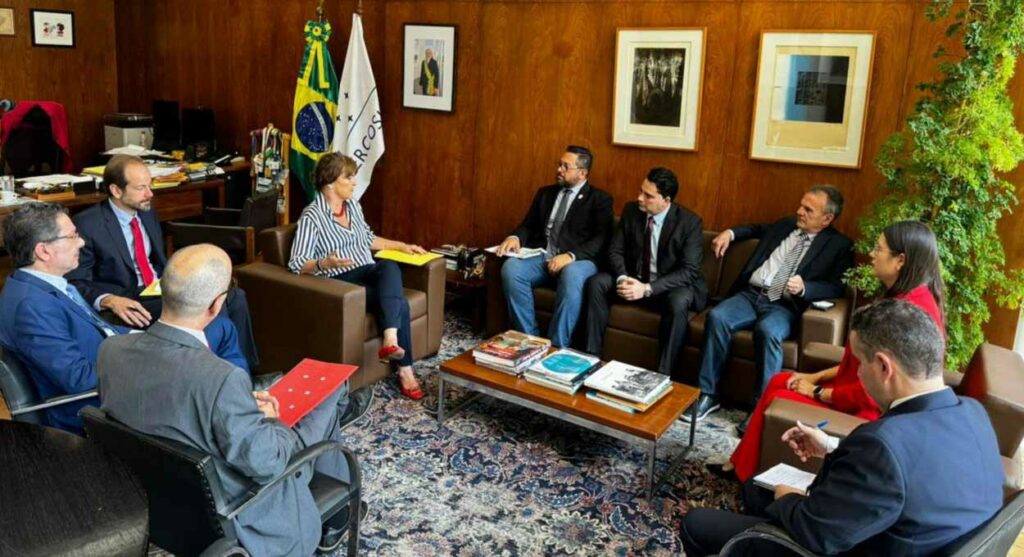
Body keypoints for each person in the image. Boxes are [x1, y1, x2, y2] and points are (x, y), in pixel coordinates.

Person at [681, 299, 1004, 557]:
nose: (857, 374)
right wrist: (833, 447)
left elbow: (816, 534)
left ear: (883, 366)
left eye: (859, 363)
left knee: (697, 523)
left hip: (844, 544)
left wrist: (787, 498)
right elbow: (912, 473)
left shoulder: (882, 444)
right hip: (905, 537)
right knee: (755, 487)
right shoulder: (973, 412)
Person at [98, 244, 361, 556]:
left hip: (161, 504)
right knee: (329, 393)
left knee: (325, 400)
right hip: (237, 512)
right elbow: (269, 464)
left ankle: (335, 516)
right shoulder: (222, 378)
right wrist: (272, 421)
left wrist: (239, 410)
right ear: (217, 304)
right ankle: (336, 518)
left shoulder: (111, 350)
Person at [712, 220, 946, 482]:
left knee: (779, 392)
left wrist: (818, 392)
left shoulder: (906, 315)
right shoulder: (905, 297)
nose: (871, 254)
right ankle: (742, 465)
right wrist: (815, 377)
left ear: (900, 260)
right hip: (851, 390)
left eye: (879, 249)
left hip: (863, 409)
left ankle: (745, 471)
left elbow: (870, 392)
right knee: (780, 380)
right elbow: (856, 363)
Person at [0, 203, 245, 434]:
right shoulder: (30, 306)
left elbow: (100, 330)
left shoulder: (42, 286)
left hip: (117, 366)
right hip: (99, 404)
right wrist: (145, 355)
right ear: (43, 251)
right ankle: (237, 412)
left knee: (219, 326)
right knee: (219, 331)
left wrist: (145, 338)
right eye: (72, 236)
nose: (81, 242)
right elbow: (78, 379)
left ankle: (233, 405)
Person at [66, 155, 259, 371]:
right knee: (208, 306)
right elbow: (76, 281)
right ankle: (215, 375)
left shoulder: (147, 212)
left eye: (150, 185)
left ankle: (245, 371)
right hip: (129, 298)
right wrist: (108, 300)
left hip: (161, 285)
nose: (150, 194)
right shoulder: (88, 224)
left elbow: (159, 261)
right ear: (116, 190)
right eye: (141, 188)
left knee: (235, 297)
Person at [687, 186, 854, 422]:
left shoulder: (839, 245)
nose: (799, 211)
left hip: (784, 305)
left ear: (827, 219)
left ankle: (761, 406)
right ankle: (708, 394)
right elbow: (756, 229)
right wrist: (730, 233)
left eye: (808, 210)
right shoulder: (786, 225)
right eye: (801, 205)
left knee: (767, 331)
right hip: (751, 294)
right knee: (717, 317)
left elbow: (838, 286)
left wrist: (806, 287)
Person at [289, 153, 427, 399]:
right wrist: (324, 262)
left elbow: (367, 239)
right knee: (396, 293)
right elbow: (296, 263)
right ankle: (404, 369)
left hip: (367, 273)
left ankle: (393, 346)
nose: (354, 182)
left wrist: (402, 246)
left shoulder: (353, 206)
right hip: (342, 283)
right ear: (330, 182)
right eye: (349, 177)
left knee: (390, 274)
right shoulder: (312, 216)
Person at [583, 167, 706, 375]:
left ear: (666, 200)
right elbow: (615, 250)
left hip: (667, 287)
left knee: (679, 301)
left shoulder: (689, 223)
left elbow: (688, 271)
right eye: (641, 191)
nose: (640, 198)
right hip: (634, 280)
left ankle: (665, 374)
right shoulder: (632, 211)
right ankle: (591, 357)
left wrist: (647, 288)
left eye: (648, 196)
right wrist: (623, 278)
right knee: (597, 282)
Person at [495, 145, 613, 347]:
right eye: (559, 164)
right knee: (511, 268)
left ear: (582, 173)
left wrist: (570, 256)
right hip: (544, 255)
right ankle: (530, 341)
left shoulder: (600, 199)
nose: (559, 170)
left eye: (566, 166)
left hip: (579, 260)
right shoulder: (545, 193)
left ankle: (557, 345)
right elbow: (529, 224)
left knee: (572, 274)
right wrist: (515, 237)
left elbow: (599, 240)